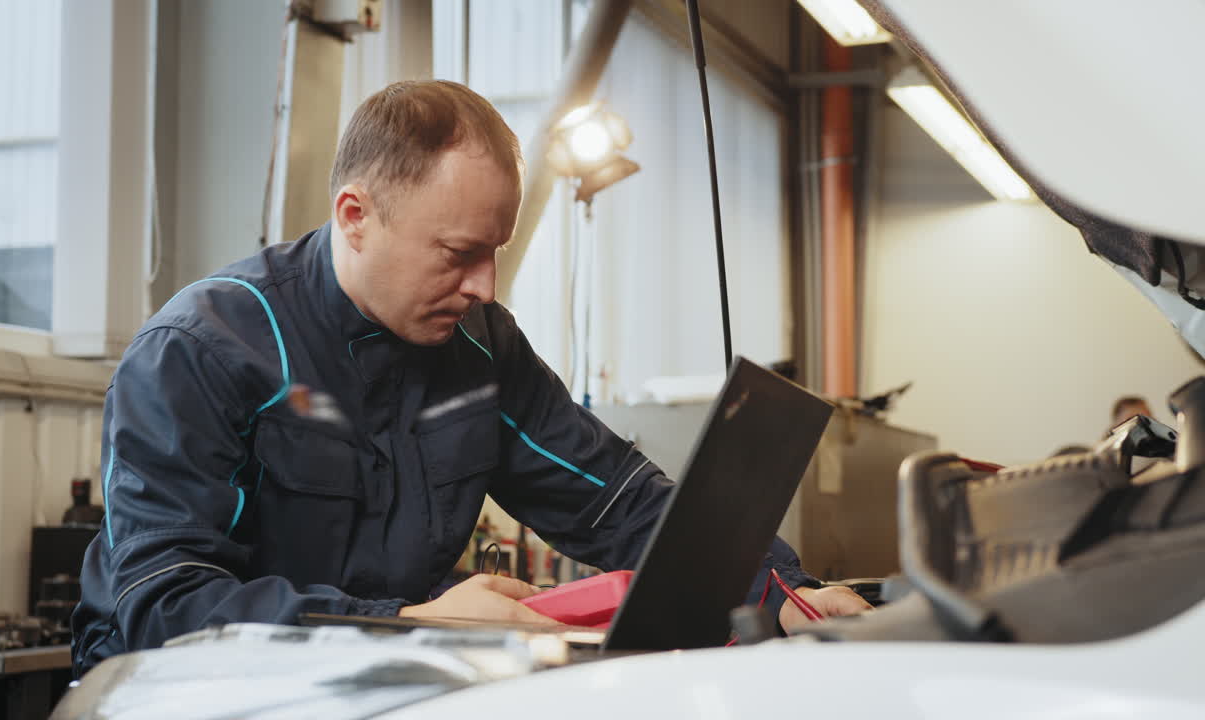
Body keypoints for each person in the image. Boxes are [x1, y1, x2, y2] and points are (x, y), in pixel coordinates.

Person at [71, 81, 869, 675]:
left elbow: (616, 501)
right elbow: (164, 607)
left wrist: (782, 593)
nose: (486, 287)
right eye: (459, 254)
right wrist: (410, 622)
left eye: (496, 253)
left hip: (371, 688)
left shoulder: (478, 348)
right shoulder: (201, 351)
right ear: (355, 216)